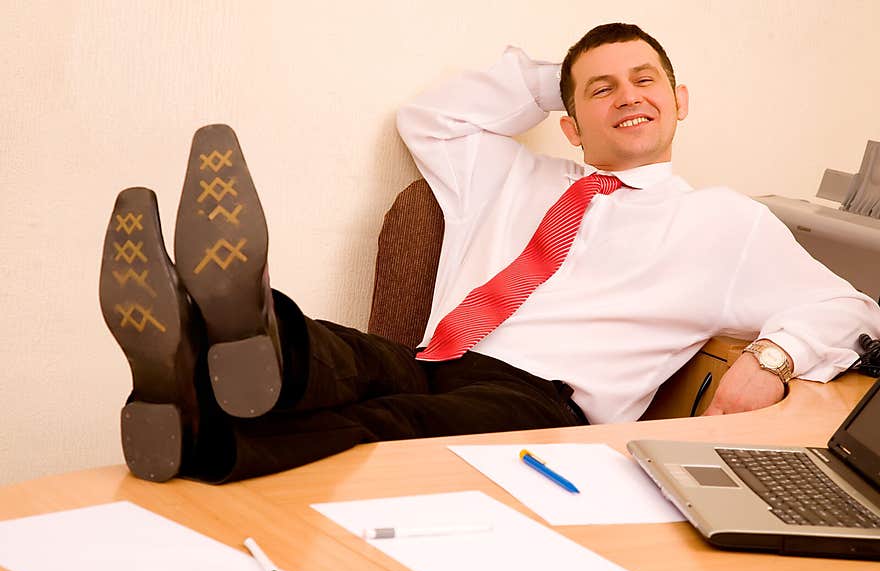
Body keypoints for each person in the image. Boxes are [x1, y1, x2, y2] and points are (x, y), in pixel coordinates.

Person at [99, 22, 880, 484]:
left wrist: (773, 358)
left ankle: (195, 392)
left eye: (646, 80)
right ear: (569, 123)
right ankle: (230, 342)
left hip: (546, 401)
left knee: (393, 421)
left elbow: (851, 305)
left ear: (679, 102)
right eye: (601, 90)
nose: (628, 95)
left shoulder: (726, 222)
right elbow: (427, 117)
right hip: (437, 354)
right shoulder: (507, 171)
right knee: (344, 356)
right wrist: (558, 76)